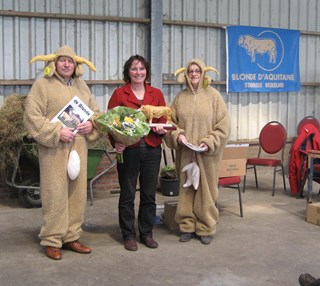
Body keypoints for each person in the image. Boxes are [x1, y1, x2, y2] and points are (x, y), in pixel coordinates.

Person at [24, 45, 100, 260]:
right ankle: (52, 239)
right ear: (54, 63)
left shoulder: (82, 87)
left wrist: (91, 126)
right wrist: (57, 131)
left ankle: (71, 236)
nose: (66, 64)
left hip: (78, 146)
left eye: (70, 61)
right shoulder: (42, 85)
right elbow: (32, 116)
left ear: (76, 65)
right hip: (53, 149)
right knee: (54, 192)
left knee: (77, 192)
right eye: (62, 60)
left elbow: (95, 113)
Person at [164, 58, 230, 245]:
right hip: (186, 153)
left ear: (203, 74)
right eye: (191, 71)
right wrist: (178, 135)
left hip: (207, 155)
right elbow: (170, 122)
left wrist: (209, 142)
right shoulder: (180, 98)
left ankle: (205, 227)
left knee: (206, 191)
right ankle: (186, 225)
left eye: (197, 71)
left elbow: (223, 125)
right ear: (186, 74)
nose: (194, 74)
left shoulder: (214, 97)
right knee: (186, 189)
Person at [107, 55, 167, 251]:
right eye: (134, 69)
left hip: (152, 148)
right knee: (128, 193)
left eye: (141, 68)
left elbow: (162, 118)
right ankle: (128, 235)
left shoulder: (156, 94)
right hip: (129, 150)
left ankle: (147, 233)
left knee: (149, 193)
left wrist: (161, 129)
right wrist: (116, 142)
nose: (138, 72)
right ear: (128, 72)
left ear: (146, 72)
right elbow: (110, 122)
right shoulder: (119, 94)